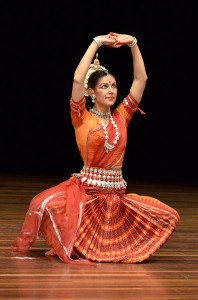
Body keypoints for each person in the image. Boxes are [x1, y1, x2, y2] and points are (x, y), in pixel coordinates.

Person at [12, 32, 179, 265]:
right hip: (87, 196)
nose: (111, 90)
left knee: (168, 215)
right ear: (92, 92)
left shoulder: (122, 115)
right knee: (44, 204)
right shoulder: (81, 117)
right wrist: (96, 42)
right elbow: (77, 80)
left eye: (113, 85)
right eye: (103, 86)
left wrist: (133, 44)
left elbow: (141, 79)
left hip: (116, 199)